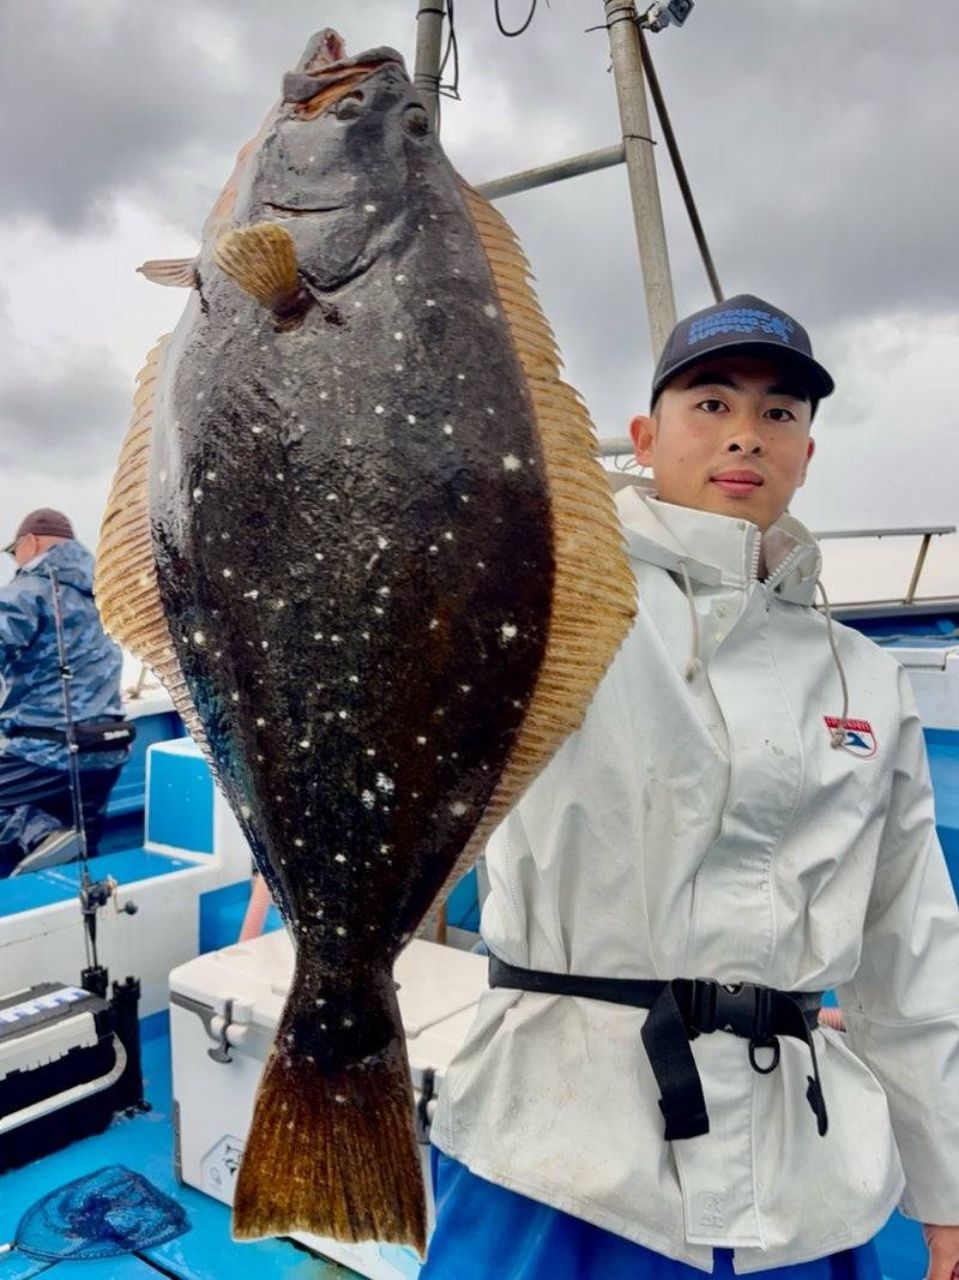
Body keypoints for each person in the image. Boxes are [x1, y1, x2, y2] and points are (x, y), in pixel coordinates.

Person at [424, 297, 959, 1280]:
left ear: (806, 452)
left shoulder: (868, 677)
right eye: (709, 402)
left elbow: (907, 944)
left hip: (801, 1184)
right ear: (643, 436)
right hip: (551, 1158)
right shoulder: (536, 605)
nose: (745, 433)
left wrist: (947, 1191)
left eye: (779, 412)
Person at [0, 508, 130, 877]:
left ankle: (36, 832)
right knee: (83, 859)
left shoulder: (28, 591)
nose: (15, 560)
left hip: (47, 753)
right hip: (108, 750)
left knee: (42, 833)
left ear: (31, 542)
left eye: (14, 551)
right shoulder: (105, 592)